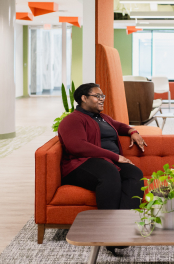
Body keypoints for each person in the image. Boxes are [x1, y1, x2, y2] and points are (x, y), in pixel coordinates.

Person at [58, 83, 147, 255]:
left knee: (135, 173)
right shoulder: (72, 120)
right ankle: (108, 233)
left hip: (108, 161)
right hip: (82, 163)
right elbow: (77, 147)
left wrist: (132, 131)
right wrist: (114, 156)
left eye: (102, 96)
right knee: (109, 173)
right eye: (97, 96)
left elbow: (119, 126)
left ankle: (123, 228)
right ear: (83, 98)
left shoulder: (102, 118)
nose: (101, 99)